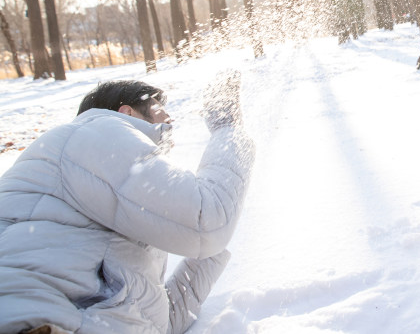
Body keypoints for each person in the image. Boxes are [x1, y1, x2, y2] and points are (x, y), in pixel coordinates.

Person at [0, 71, 255, 334]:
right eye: (163, 123)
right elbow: (207, 220)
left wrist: (209, 254)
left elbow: (156, 320)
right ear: (127, 113)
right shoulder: (95, 130)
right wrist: (228, 129)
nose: (170, 133)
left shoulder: (101, 197)